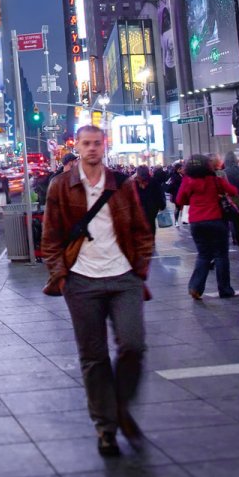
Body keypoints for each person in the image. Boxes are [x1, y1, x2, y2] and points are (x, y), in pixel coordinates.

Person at [40, 123, 154, 457]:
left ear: (104, 146)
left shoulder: (121, 184)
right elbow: (50, 238)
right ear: (76, 147)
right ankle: (106, 427)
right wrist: (60, 275)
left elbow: (141, 229)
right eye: (86, 143)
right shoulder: (60, 186)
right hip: (81, 281)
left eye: (97, 143)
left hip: (124, 278)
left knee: (133, 344)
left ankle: (120, 405)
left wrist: (140, 269)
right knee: (94, 357)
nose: (91, 149)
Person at [175, 155, 238, 300]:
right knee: (221, 255)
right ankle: (225, 289)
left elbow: (179, 200)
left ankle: (195, 287)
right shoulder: (215, 180)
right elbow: (233, 191)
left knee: (203, 255)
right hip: (216, 220)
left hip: (197, 222)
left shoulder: (187, 181)